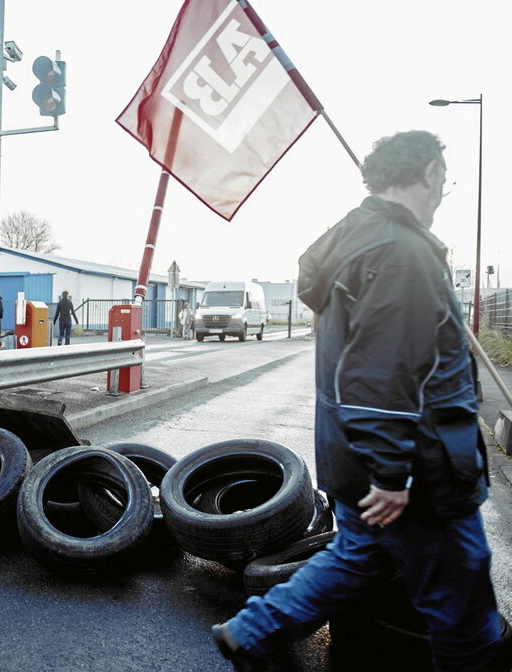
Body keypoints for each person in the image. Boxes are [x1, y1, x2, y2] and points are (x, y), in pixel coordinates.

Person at [211, 131, 507, 672]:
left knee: (357, 557)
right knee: (462, 606)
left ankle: (248, 632)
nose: (443, 189)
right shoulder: (402, 254)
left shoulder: (355, 241)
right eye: (443, 176)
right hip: (421, 470)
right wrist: (393, 476)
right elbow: (382, 378)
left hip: (355, 458)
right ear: (429, 175)